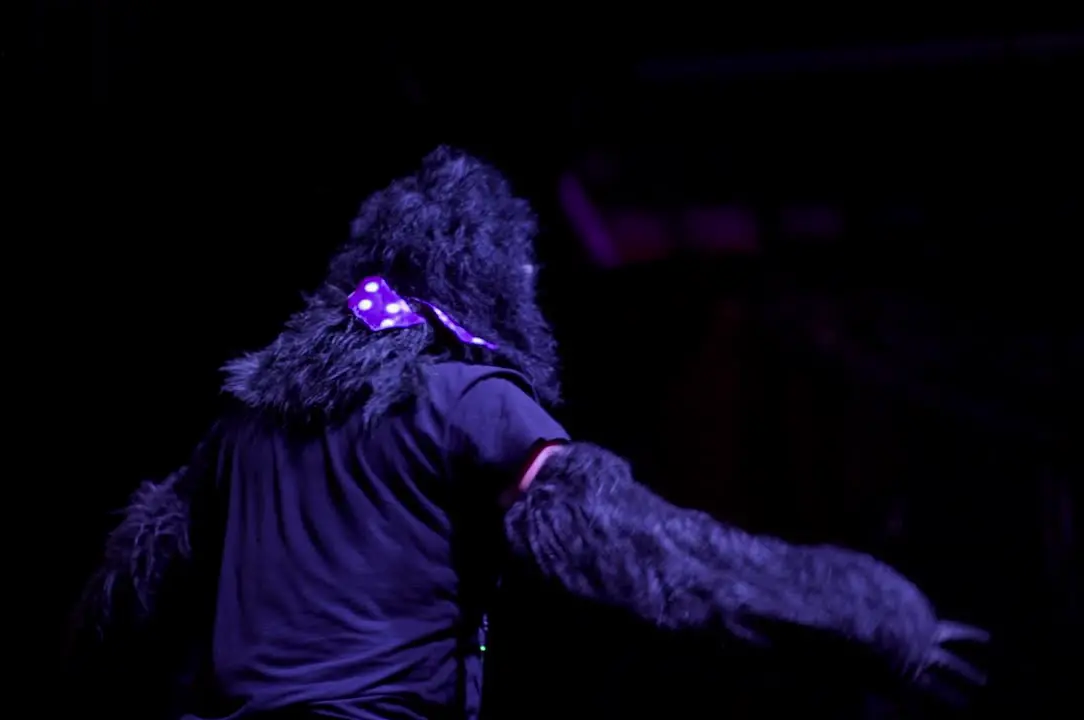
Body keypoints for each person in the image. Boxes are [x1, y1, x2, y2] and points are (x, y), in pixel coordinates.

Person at [70, 146, 986, 720]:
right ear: (493, 276)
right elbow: (641, 551)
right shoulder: (470, 400)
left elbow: (120, 603)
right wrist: (872, 613)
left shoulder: (241, 425)